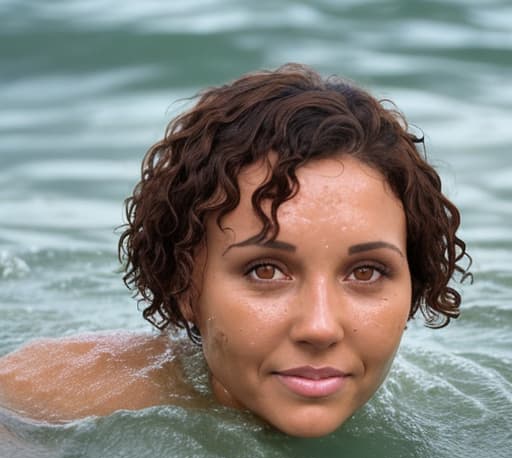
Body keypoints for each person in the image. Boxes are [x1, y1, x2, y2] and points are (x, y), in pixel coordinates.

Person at [0, 64, 471, 437]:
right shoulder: (43, 401)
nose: (320, 327)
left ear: (415, 282)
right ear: (184, 282)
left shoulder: (465, 418)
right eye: (266, 270)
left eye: (366, 272)